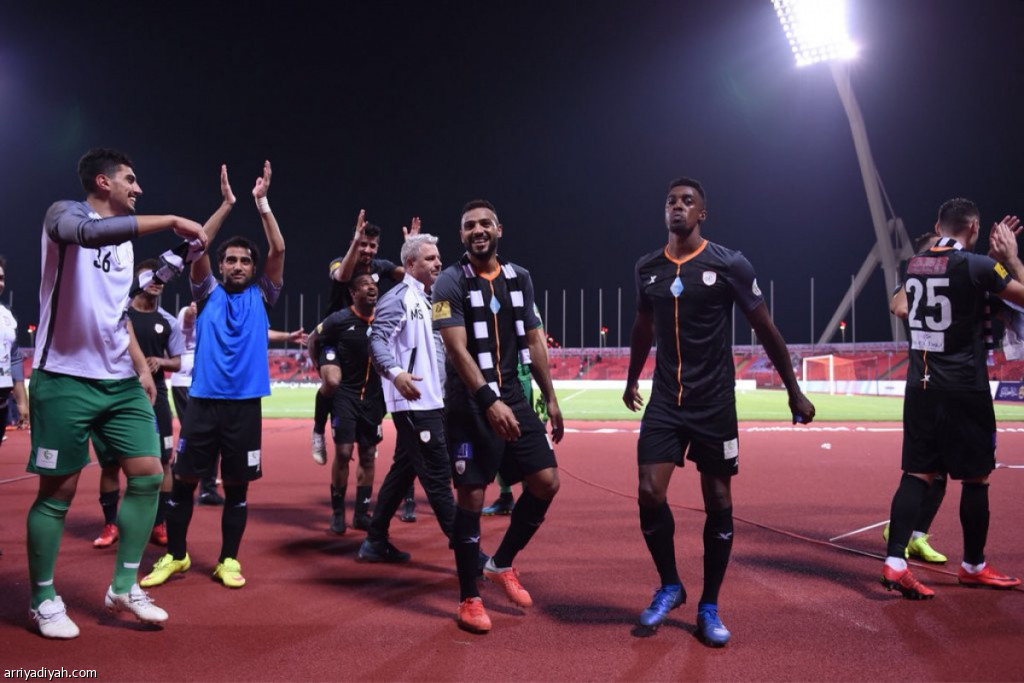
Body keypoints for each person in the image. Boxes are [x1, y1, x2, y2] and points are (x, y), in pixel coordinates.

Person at [623, 178, 815, 647]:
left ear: (702, 214)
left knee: (718, 501)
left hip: (714, 404)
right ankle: (671, 585)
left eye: (687, 201)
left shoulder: (729, 263)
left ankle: (709, 604)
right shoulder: (647, 267)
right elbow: (643, 327)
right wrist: (631, 379)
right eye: (671, 201)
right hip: (666, 401)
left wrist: (794, 390)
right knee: (649, 491)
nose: (678, 207)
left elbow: (766, 328)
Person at [26, 148, 208, 638]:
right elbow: (89, 235)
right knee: (58, 493)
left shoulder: (126, 248)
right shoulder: (63, 215)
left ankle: (124, 586)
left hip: (120, 380)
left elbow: (119, 311)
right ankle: (43, 598)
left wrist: (142, 367)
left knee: (149, 474)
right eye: (130, 179)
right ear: (103, 182)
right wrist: (171, 221)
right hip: (64, 376)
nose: (138, 188)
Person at [142, 161, 283, 591]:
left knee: (237, 488)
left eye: (245, 261)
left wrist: (262, 204)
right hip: (203, 404)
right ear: (220, 266)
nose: (238, 266)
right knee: (184, 482)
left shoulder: (263, 295)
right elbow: (197, 244)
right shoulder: (206, 294)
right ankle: (176, 555)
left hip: (244, 408)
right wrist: (226, 205)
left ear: (253, 269)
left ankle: (227, 560)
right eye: (230, 260)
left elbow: (278, 250)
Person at [432, 200, 564, 635]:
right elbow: (456, 349)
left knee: (546, 481)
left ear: (499, 230)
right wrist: (488, 400)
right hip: (469, 404)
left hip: (513, 397)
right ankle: (469, 597)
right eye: (469, 225)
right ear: (461, 235)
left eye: (485, 223)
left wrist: (551, 397)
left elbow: (534, 339)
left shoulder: (519, 277)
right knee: (471, 497)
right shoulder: (449, 281)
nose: (478, 230)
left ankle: (501, 562)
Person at [881, 199, 1024, 599]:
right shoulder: (977, 267)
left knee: (916, 474)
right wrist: (1011, 259)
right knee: (976, 477)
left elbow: (900, 305)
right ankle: (973, 566)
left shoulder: (914, 265)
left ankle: (895, 563)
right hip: (965, 388)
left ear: (937, 224)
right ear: (974, 227)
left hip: (921, 386)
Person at [358, 233, 459, 561]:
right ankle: (468, 552)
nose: (438, 263)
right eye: (430, 258)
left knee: (403, 471)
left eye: (438, 257)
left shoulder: (430, 300)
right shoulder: (399, 297)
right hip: (415, 403)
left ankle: (375, 541)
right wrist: (396, 373)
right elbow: (377, 339)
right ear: (410, 264)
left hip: (432, 400)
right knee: (439, 478)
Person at [312, 213, 419, 523]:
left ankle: (372, 508)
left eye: (372, 245)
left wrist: (411, 249)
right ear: (354, 243)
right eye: (363, 244)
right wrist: (355, 244)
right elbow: (341, 276)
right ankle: (318, 430)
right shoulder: (341, 262)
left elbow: (411, 277)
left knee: (374, 442)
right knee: (333, 381)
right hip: (335, 337)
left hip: (366, 338)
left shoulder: (381, 267)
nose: (368, 251)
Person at [93, 259, 184, 550]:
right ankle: (111, 523)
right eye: (150, 277)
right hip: (116, 395)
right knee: (111, 463)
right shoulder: (118, 314)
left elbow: (178, 361)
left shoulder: (168, 321)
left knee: (164, 460)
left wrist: (161, 361)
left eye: (161, 278)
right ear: (136, 280)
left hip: (156, 397)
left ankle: (159, 523)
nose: (157, 282)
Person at [881, 232, 948, 564]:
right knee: (921, 468)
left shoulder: (954, 279)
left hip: (954, 381)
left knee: (942, 470)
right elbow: (899, 307)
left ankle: (919, 535)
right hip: (925, 380)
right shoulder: (913, 278)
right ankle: (898, 531)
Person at [306, 273, 385, 534]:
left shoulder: (384, 318)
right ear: (353, 293)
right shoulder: (339, 320)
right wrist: (318, 365)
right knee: (343, 453)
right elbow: (313, 339)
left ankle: (361, 514)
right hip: (345, 396)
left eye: (374, 284)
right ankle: (338, 512)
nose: (372, 288)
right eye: (365, 285)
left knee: (368, 455)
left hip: (372, 397)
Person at [169, 302, 224, 506]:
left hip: (206, 383)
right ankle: (177, 483)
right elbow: (189, 315)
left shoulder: (215, 318)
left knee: (212, 435)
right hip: (186, 382)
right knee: (193, 436)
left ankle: (207, 488)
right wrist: (195, 308)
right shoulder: (187, 312)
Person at [0, 255, 29, 446]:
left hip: (1, 405)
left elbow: (15, 358)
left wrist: (21, 402)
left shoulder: (7, 314)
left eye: (1, 278)